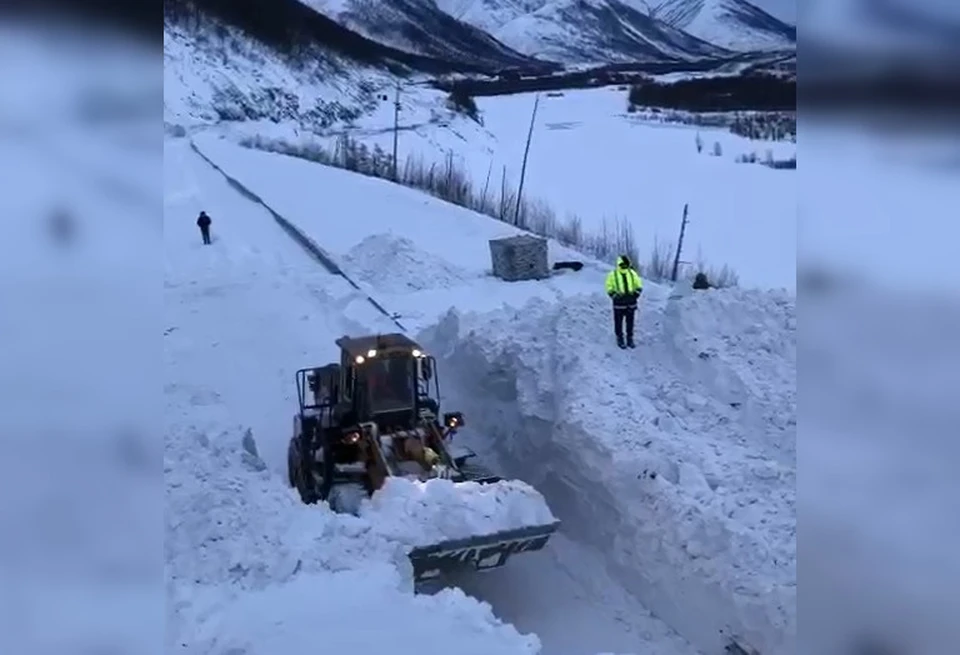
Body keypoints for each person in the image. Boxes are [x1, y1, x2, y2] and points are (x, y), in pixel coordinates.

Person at [604, 254, 643, 349]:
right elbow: (608, 286)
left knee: (630, 322)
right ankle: (619, 338)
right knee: (618, 322)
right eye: (623, 264)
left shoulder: (632, 273)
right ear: (619, 264)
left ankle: (630, 338)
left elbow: (639, 284)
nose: (625, 266)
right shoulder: (612, 274)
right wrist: (614, 295)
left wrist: (636, 294)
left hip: (631, 303)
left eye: (626, 264)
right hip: (619, 304)